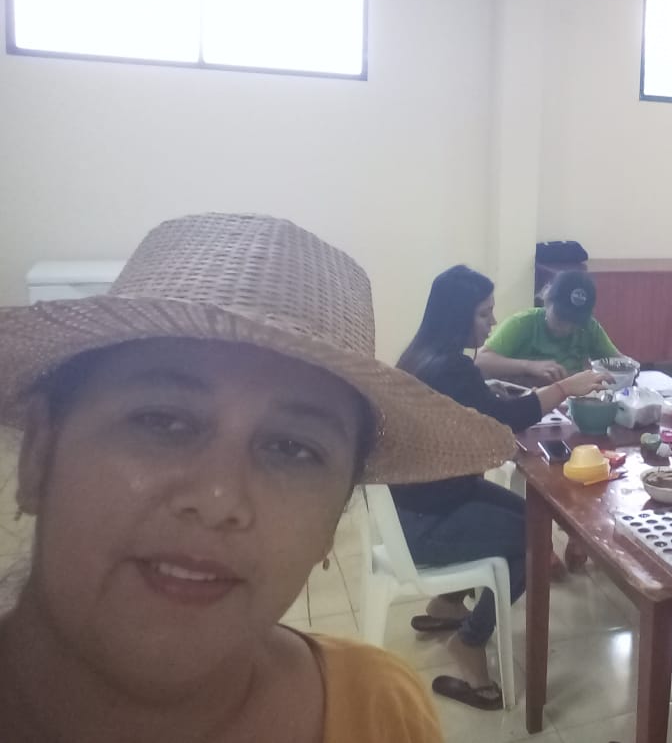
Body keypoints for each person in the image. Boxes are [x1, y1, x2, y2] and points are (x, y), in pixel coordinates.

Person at [0, 213, 517, 743]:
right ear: (40, 452)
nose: (219, 498)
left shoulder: (383, 711)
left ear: (331, 521)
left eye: (293, 449)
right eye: (161, 420)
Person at [391, 265, 609, 711]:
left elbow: (478, 412)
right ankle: (470, 641)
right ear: (456, 316)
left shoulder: (424, 355)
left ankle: (448, 605)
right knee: (532, 541)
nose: (492, 322)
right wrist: (566, 387)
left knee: (531, 520)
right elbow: (504, 419)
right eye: (483, 313)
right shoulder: (449, 368)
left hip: (425, 500)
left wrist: (495, 402)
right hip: (424, 521)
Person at [475, 270, 620, 384]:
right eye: (560, 318)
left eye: (574, 322)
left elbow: (621, 364)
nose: (566, 328)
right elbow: (481, 361)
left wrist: (614, 375)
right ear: (547, 300)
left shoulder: (589, 327)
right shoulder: (524, 323)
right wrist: (529, 366)